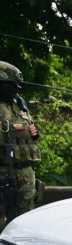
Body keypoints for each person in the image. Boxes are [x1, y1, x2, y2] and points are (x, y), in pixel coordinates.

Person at [0, 61, 41, 226]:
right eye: (11, 85)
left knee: (25, 225)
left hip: (25, 177)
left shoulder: (20, 106)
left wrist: (35, 134)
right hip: (3, 175)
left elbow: (28, 132)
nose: (16, 89)